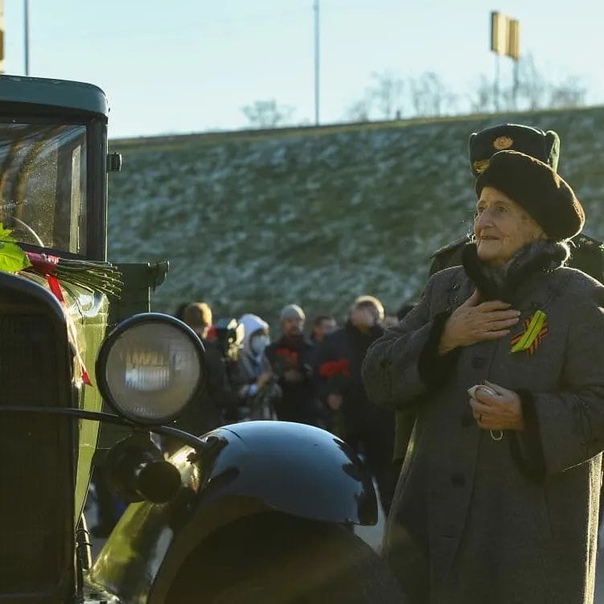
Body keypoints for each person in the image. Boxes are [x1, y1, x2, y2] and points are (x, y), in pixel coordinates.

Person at [362, 149, 604, 603]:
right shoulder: (446, 289)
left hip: (528, 543)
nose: (483, 221)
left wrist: (527, 414)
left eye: (501, 209)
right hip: (428, 529)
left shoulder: (578, 299)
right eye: (480, 208)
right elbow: (378, 374)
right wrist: (443, 337)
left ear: (537, 226)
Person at [429, 122, 604, 283]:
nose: (501, 179)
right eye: (488, 168)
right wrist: (452, 319)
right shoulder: (449, 264)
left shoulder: (592, 260)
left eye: (521, 167)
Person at [313, 295, 397, 515]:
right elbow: (316, 372)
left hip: (381, 419)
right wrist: (328, 394)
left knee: (387, 480)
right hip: (348, 417)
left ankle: (394, 539)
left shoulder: (385, 337)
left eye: (373, 314)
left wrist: (375, 328)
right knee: (347, 480)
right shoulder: (335, 340)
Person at [163, 301, 236, 454]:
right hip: (205, 429)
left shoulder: (171, 350)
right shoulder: (210, 352)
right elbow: (221, 394)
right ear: (208, 324)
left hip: (175, 429)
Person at [265, 304, 323, 426]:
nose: (294, 324)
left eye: (298, 320)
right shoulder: (272, 350)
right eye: (290, 321)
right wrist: (282, 376)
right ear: (283, 324)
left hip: (309, 410)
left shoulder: (314, 348)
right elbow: (267, 374)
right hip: (282, 409)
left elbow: (319, 375)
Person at [230, 313, 281, 421]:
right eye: (257, 336)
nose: (261, 339)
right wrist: (258, 385)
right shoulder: (237, 362)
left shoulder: (263, 359)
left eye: (263, 335)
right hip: (246, 421)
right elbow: (238, 393)